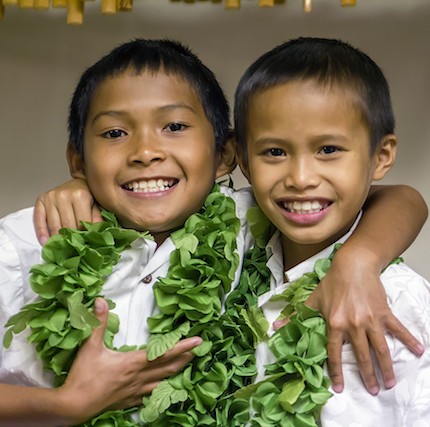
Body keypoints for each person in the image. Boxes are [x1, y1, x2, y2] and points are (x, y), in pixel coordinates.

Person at [7, 38, 425, 426]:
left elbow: (397, 198)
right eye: (115, 133)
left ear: (226, 154)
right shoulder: (27, 241)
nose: (145, 152)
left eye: (174, 126)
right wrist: (66, 405)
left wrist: (358, 260)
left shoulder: (246, 226)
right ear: (78, 160)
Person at [233, 36, 430, 426]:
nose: (301, 178)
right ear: (243, 161)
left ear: (381, 157)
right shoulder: (234, 251)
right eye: (275, 152)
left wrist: (358, 260)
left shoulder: (399, 300)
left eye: (328, 150)